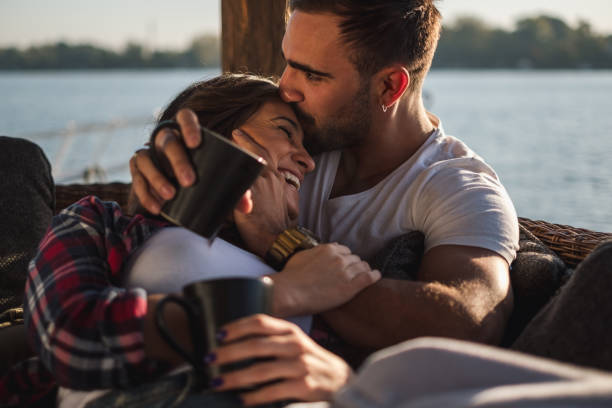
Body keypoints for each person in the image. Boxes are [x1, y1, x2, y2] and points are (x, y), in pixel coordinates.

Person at [131, 0, 519, 353]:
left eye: (312, 75)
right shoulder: (288, 138)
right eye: (287, 62)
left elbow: (470, 324)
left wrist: (278, 241)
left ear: (389, 86)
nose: (285, 86)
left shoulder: (459, 188)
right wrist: (167, 156)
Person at [2, 74, 379, 407]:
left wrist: (278, 242)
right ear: (206, 137)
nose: (308, 161)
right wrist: (276, 294)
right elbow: (73, 338)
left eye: (309, 150)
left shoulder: (310, 258)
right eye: (284, 131)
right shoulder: (103, 224)